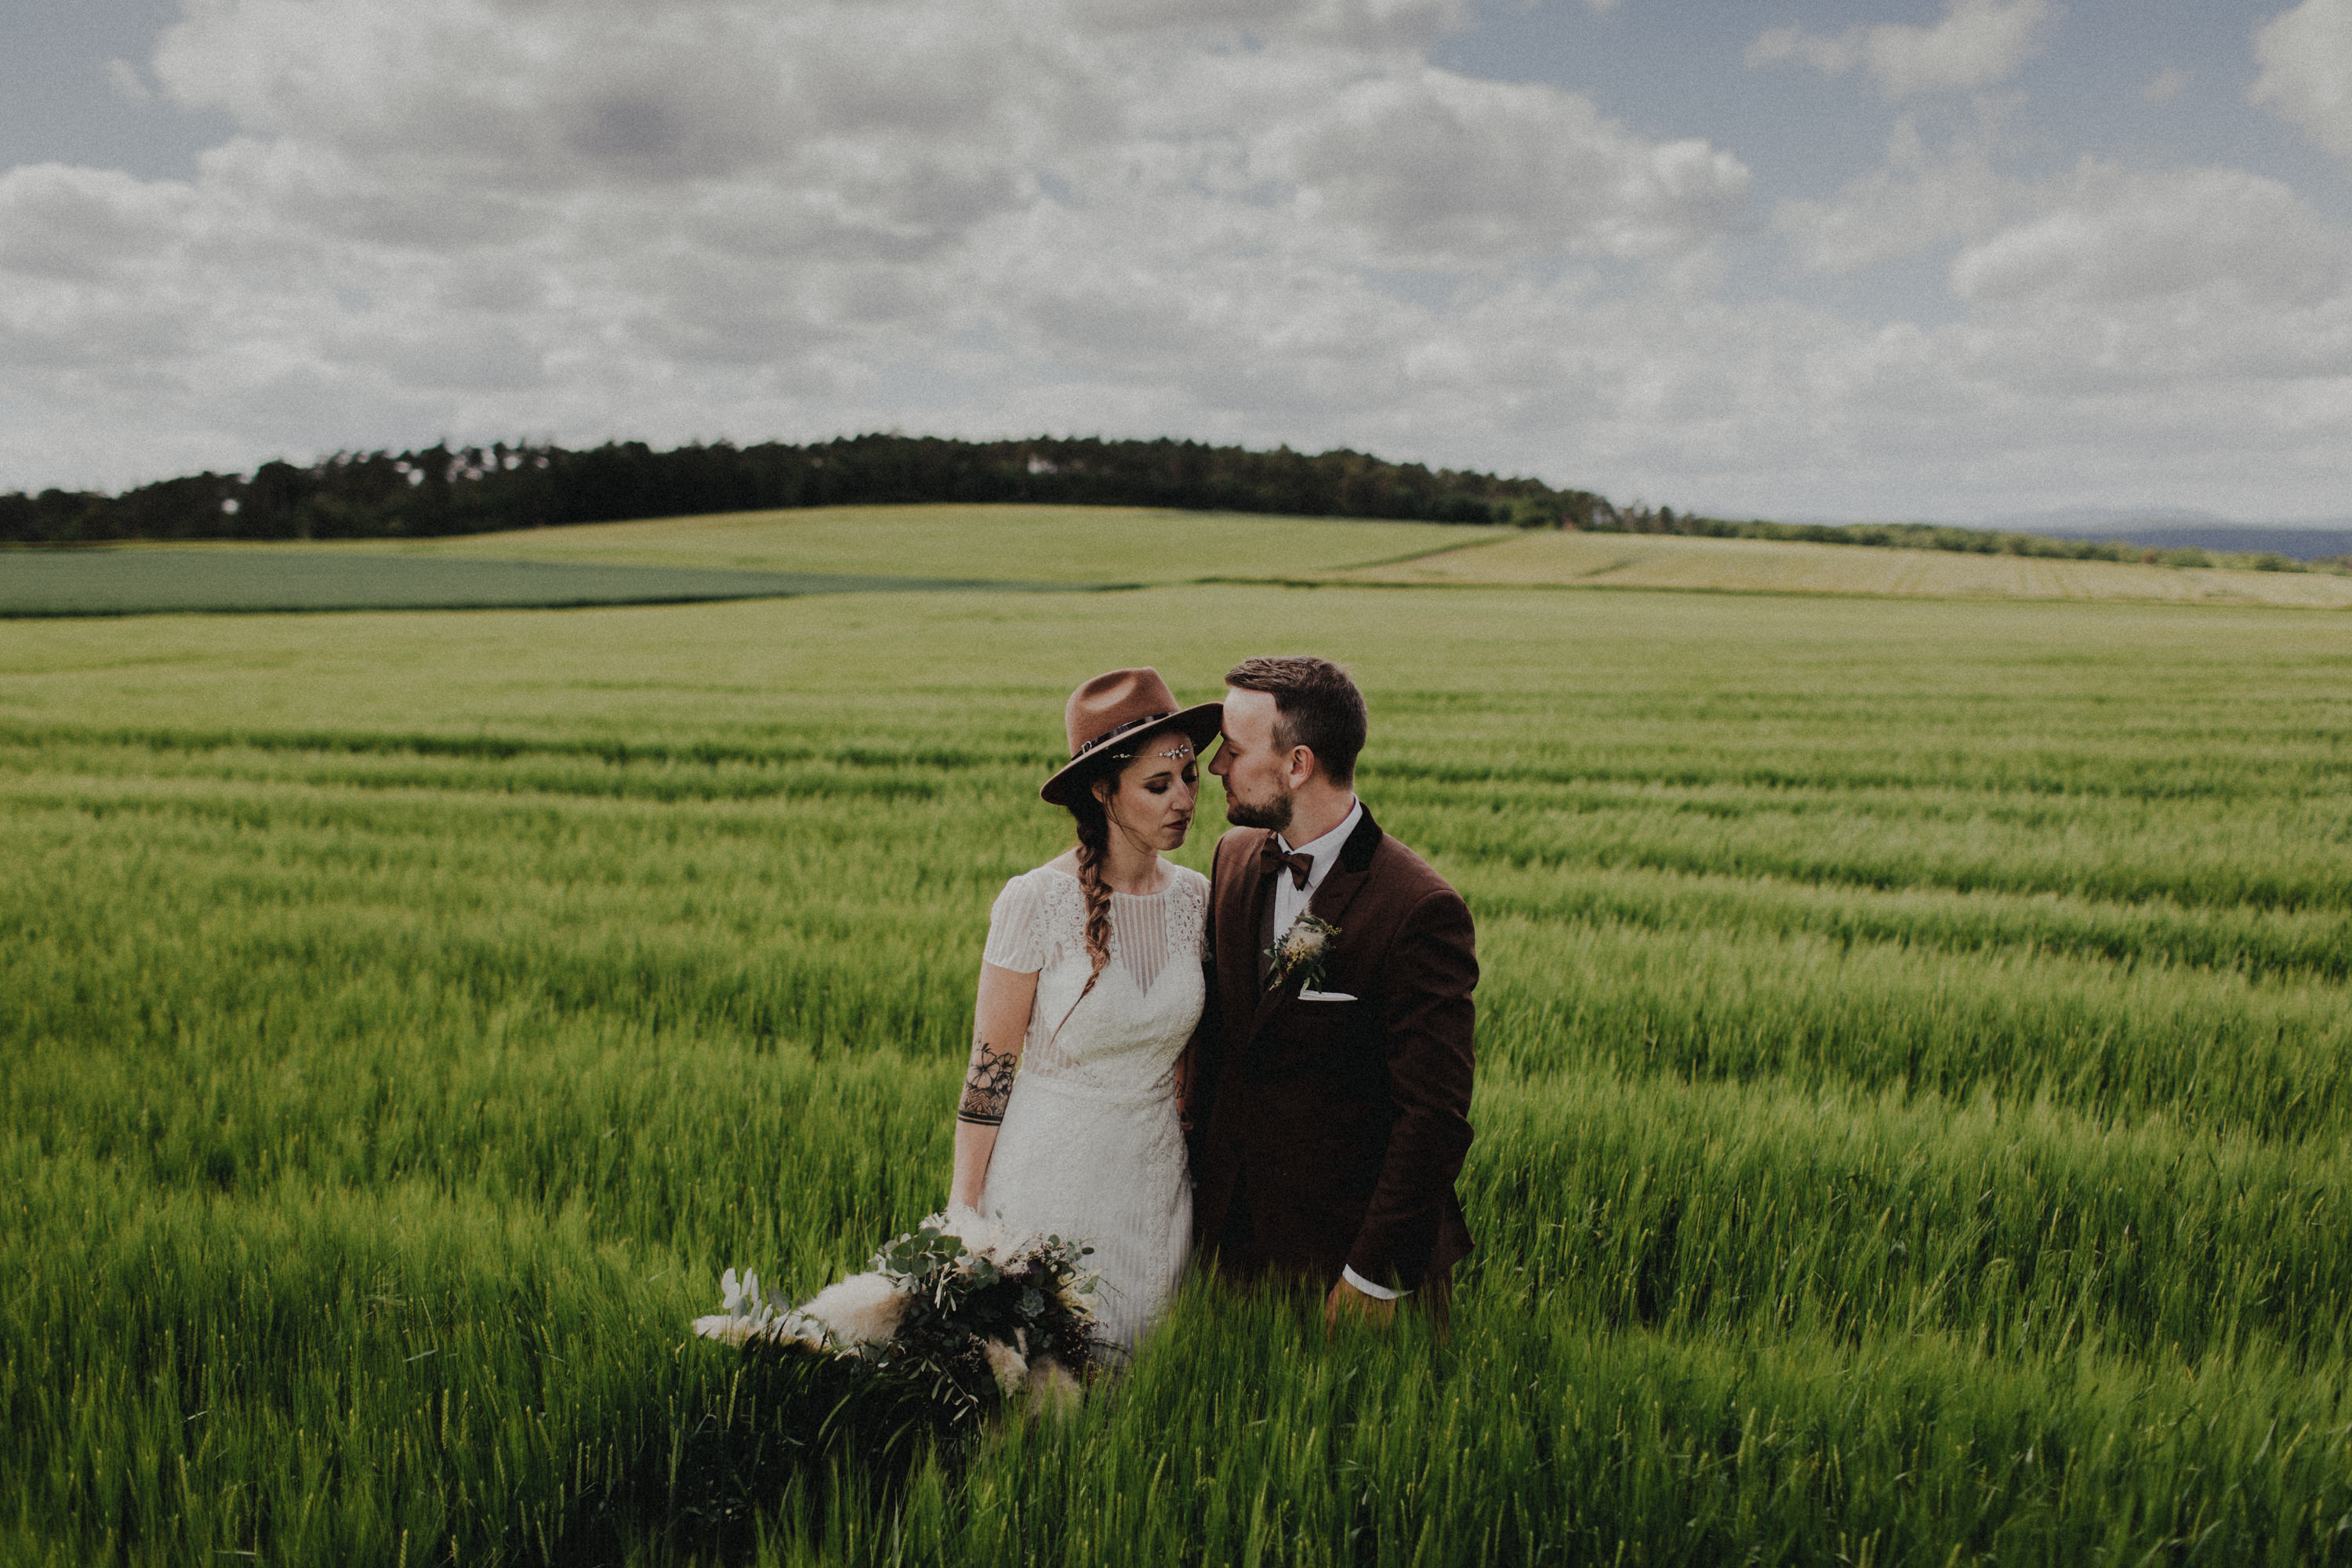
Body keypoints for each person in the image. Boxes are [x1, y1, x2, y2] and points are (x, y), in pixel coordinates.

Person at [1187, 655, 1478, 1329]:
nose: (1216, 768)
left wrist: (1371, 1279)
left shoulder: (1418, 907)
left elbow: (1433, 1118)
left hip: (1352, 1263)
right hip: (1231, 1255)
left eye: (1232, 750)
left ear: (1298, 764)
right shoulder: (1233, 859)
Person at [948, 667, 1222, 1354]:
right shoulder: (1034, 901)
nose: (1184, 799)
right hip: (1054, 1177)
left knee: (1146, 1375)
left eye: (1190, 777)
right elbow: (991, 1068)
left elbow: (1193, 1058)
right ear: (1104, 792)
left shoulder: (1198, 899)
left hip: (1158, 1183)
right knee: (1049, 1381)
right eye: (1158, 785)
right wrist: (964, 1209)